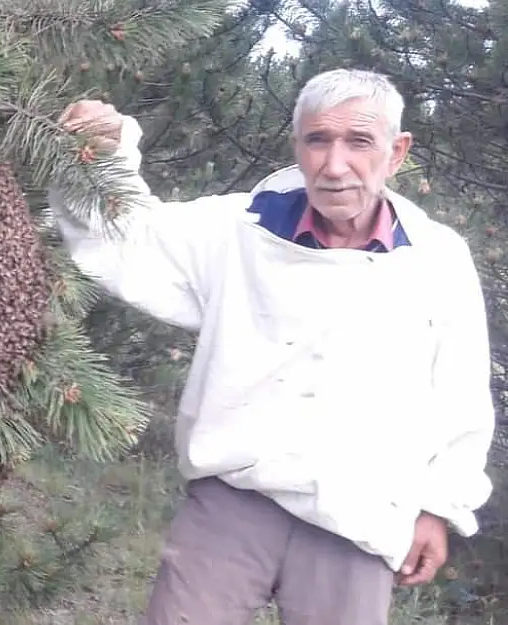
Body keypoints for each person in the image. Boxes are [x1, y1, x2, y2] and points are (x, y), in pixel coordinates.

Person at [49, 68, 496, 624]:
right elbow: (128, 237)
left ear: (397, 151)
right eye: (318, 140)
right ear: (298, 145)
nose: (335, 166)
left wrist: (439, 508)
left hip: (360, 513)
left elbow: (460, 393)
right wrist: (106, 150)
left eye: (359, 142)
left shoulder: (437, 258)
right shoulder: (237, 229)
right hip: (234, 497)